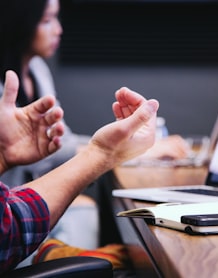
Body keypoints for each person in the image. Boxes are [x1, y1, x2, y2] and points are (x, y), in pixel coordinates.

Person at [0, 0, 189, 253]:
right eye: (47, 20)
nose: (59, 29)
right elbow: (10, 227)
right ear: (18, 23)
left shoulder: (37, 70)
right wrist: (108, 152)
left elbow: (59, 141)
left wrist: (107, 149)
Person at [0, 69, 159, 274]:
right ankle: (47, 254)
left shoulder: (37, 69)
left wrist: (2, 156)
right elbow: (6, 230)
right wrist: (103, 153)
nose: (58, 33)